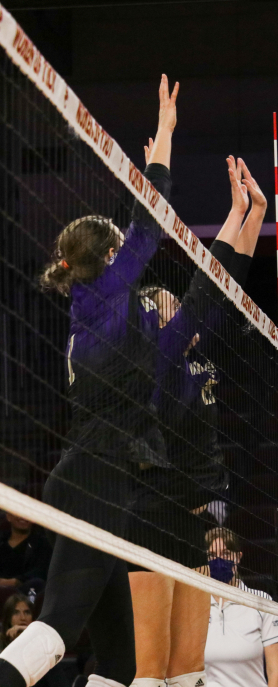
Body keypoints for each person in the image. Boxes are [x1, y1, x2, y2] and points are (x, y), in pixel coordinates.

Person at [0, 74, 180, 687]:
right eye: (118, 247)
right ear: (107, 257)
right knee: (55, 629)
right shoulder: (105, 290)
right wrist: (164, 137)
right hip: (96, 482)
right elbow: (150, 222)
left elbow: (141, 230)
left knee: (121, 662)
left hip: (99, 479)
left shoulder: (85, 300)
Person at [126, 154, 266, 687]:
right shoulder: (157, 358)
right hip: (153, 509)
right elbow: (206, 286)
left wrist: (250, 215)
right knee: (150, 672)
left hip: (192, 509)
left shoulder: (192, 350)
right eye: (162, 303)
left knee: (188, 671)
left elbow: (224, 283)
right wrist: (235, 215)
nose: (172, 302)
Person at [203, 529, 278, 687]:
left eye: (225, 553)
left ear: (238, 557)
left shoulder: (262, 602)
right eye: (212, 555)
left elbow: (276, 671)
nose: (219, 560)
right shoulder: (194, 605)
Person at [0, 514, 51, 593]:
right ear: (8, 516)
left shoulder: (42, 543)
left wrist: (16, 581)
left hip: (26, 593)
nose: (23, 516)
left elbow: (41, 571)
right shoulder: (2, 541)